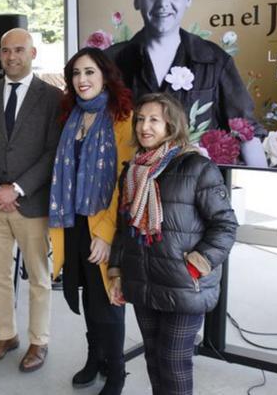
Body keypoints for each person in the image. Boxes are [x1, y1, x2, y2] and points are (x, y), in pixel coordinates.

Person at [108, 92, 237, 395]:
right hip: (143, 283)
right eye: (140, 119)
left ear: (172, 125)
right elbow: (123, 228)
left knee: (173, 361)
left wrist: (197, 264)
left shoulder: (197, 168)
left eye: (154, 120)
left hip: (182, 285)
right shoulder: (132, 171)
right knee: (153, 358)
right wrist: (117, 272)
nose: (144, 127)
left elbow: (226, 225)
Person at [104, 0, 267, 166]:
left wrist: (260, 182)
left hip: (192, 187)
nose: (163, 3)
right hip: (130, 181)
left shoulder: (215, 60)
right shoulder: (111, 61)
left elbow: (245, 130)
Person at [0, 28, 62, 372]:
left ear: (33, 54)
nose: (11, 56)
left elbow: (53, 152)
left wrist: (17, 188)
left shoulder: (52, 97)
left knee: (39, 276)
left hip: (30, 203)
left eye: (19, 49)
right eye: (6, 50)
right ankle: (6, 335)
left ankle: (38, 341)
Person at [48, 48, 132, 395]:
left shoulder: (122, 117)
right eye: (76, 73)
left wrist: (108, 235)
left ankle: (116, 372)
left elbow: (124, 183)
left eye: (90, 73)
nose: (82, 80)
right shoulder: (71, 116)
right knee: (87, 294)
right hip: (75, 223)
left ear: (105, 77)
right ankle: (94, 357)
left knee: (108, 300)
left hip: (104, 225)